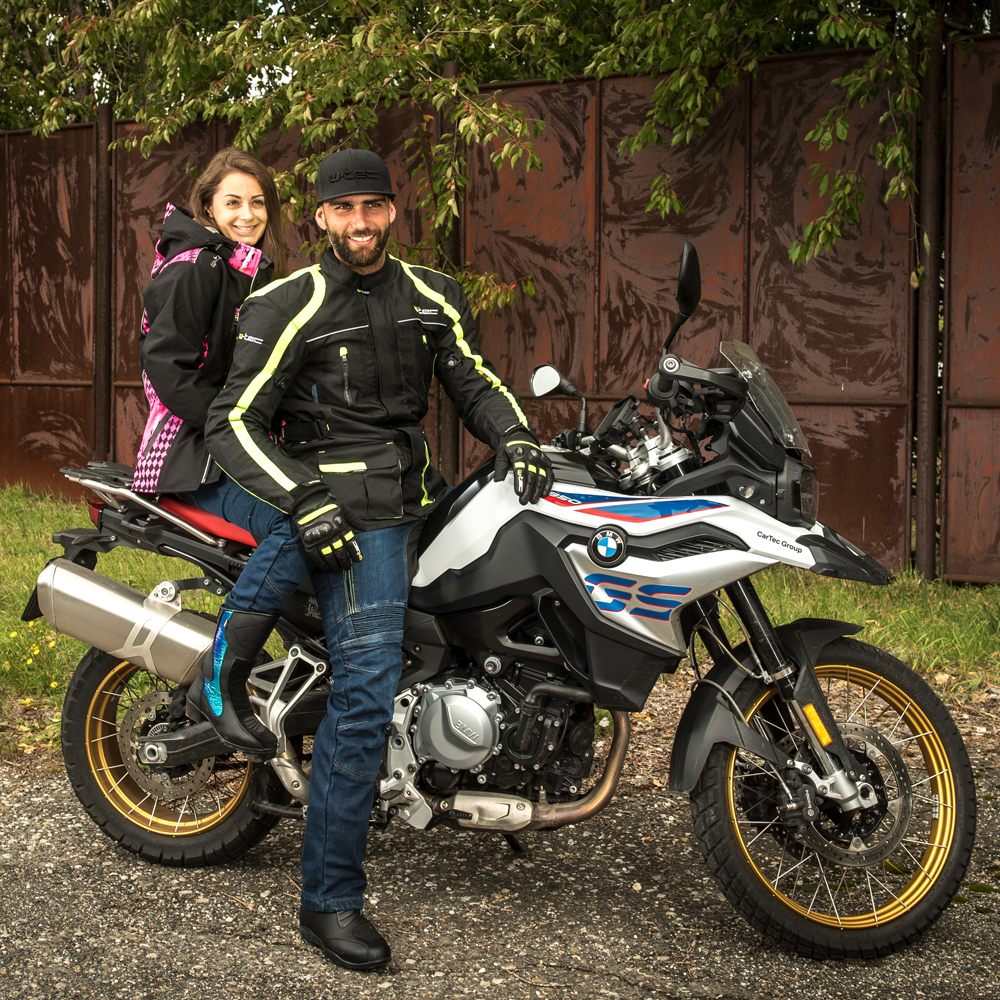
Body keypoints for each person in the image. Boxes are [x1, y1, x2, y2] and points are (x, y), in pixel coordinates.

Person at [204, 148, 555, 970]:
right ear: (321, 218)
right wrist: (304, 497)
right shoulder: (289, 302)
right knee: (363, 700)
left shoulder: (432, 294)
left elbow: (472, 378)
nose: (359, 222)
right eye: (344, 209)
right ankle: (328, 902)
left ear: (392, 211)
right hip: (346, 519)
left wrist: (516, 437)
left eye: (373, 206)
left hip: (417, 497)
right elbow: (233, 421)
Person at [134, 147, 311, 761]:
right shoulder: (195, 267)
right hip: (191, 453)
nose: (247, 213)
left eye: (258, 202)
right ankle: (220, 680)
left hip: (235, 443)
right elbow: (168, 369)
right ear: (208, 206)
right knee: (298, 523)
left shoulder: (250, 270)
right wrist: (236, 428)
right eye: (233, 202)